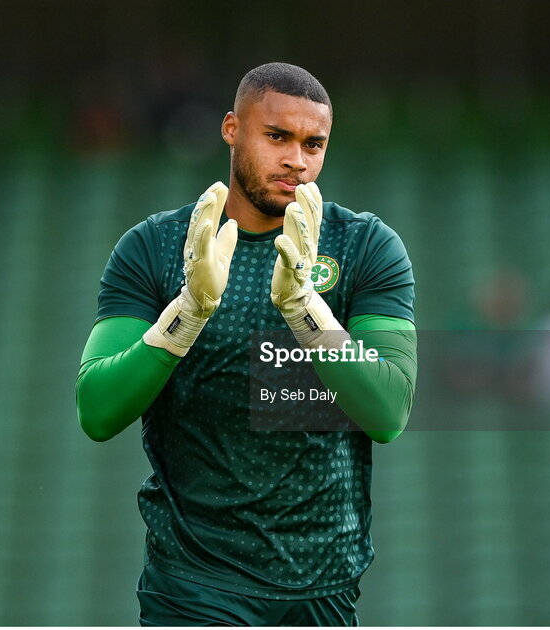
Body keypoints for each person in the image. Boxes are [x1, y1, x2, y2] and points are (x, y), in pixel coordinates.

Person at [75, 62, 417, 626]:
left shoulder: (366, 248)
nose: (297, 161)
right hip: (193, 585)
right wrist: (187, 313)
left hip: (323, 587)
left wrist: (306, 311)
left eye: (315, 144)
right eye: (277, 137)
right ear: (232, 128)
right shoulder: (155, 248)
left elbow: (387, 411)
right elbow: (96, 407)